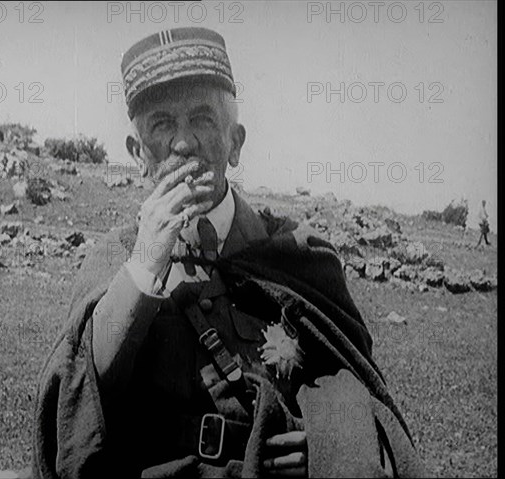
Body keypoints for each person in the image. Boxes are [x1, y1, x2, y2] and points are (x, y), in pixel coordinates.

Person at [33, 27, 426, 478]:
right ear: (137, 153)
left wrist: (327, 443)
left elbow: (354, 386)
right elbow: (82, 396)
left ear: (235, 142)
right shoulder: (116, 260)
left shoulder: (297, 254)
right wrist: (146, 264)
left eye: (202, 119)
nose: (183, 144)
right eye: (162, 124)